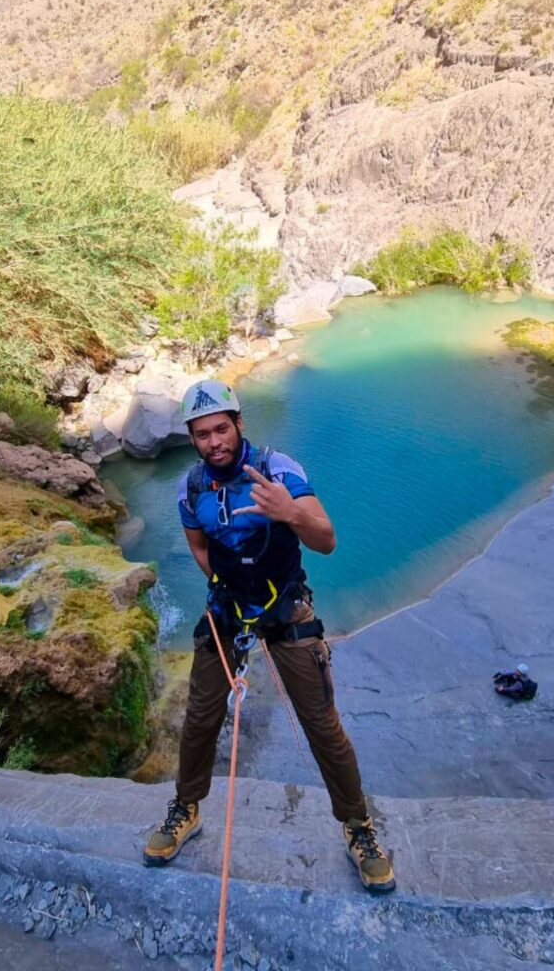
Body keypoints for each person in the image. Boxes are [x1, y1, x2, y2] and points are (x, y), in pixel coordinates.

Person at [142, 379, 395, 894]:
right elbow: (199, 546)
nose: (214, 442)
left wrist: (290, 512)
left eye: (221, 429)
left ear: (238, 424)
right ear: (192, 438)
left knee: (322, 725)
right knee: (200, 717)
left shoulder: (280, 471)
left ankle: (358, 828)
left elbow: (325, 540)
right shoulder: (191, 488)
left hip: (285, 609)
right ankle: (186, 808)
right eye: (202, 434)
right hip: (228, 610)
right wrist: (230, 586)